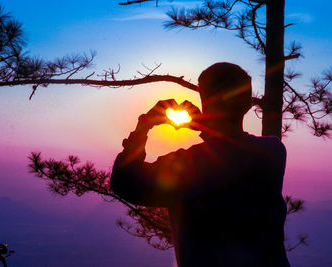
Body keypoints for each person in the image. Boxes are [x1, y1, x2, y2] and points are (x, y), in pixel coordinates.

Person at [111, 62, 290, 266]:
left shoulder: (189, 165)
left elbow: (123, 180)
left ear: (206, 102)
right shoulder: (273, 152)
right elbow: (231, 150)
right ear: (248, 104)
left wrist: (143, 126)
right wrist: (206, 125)